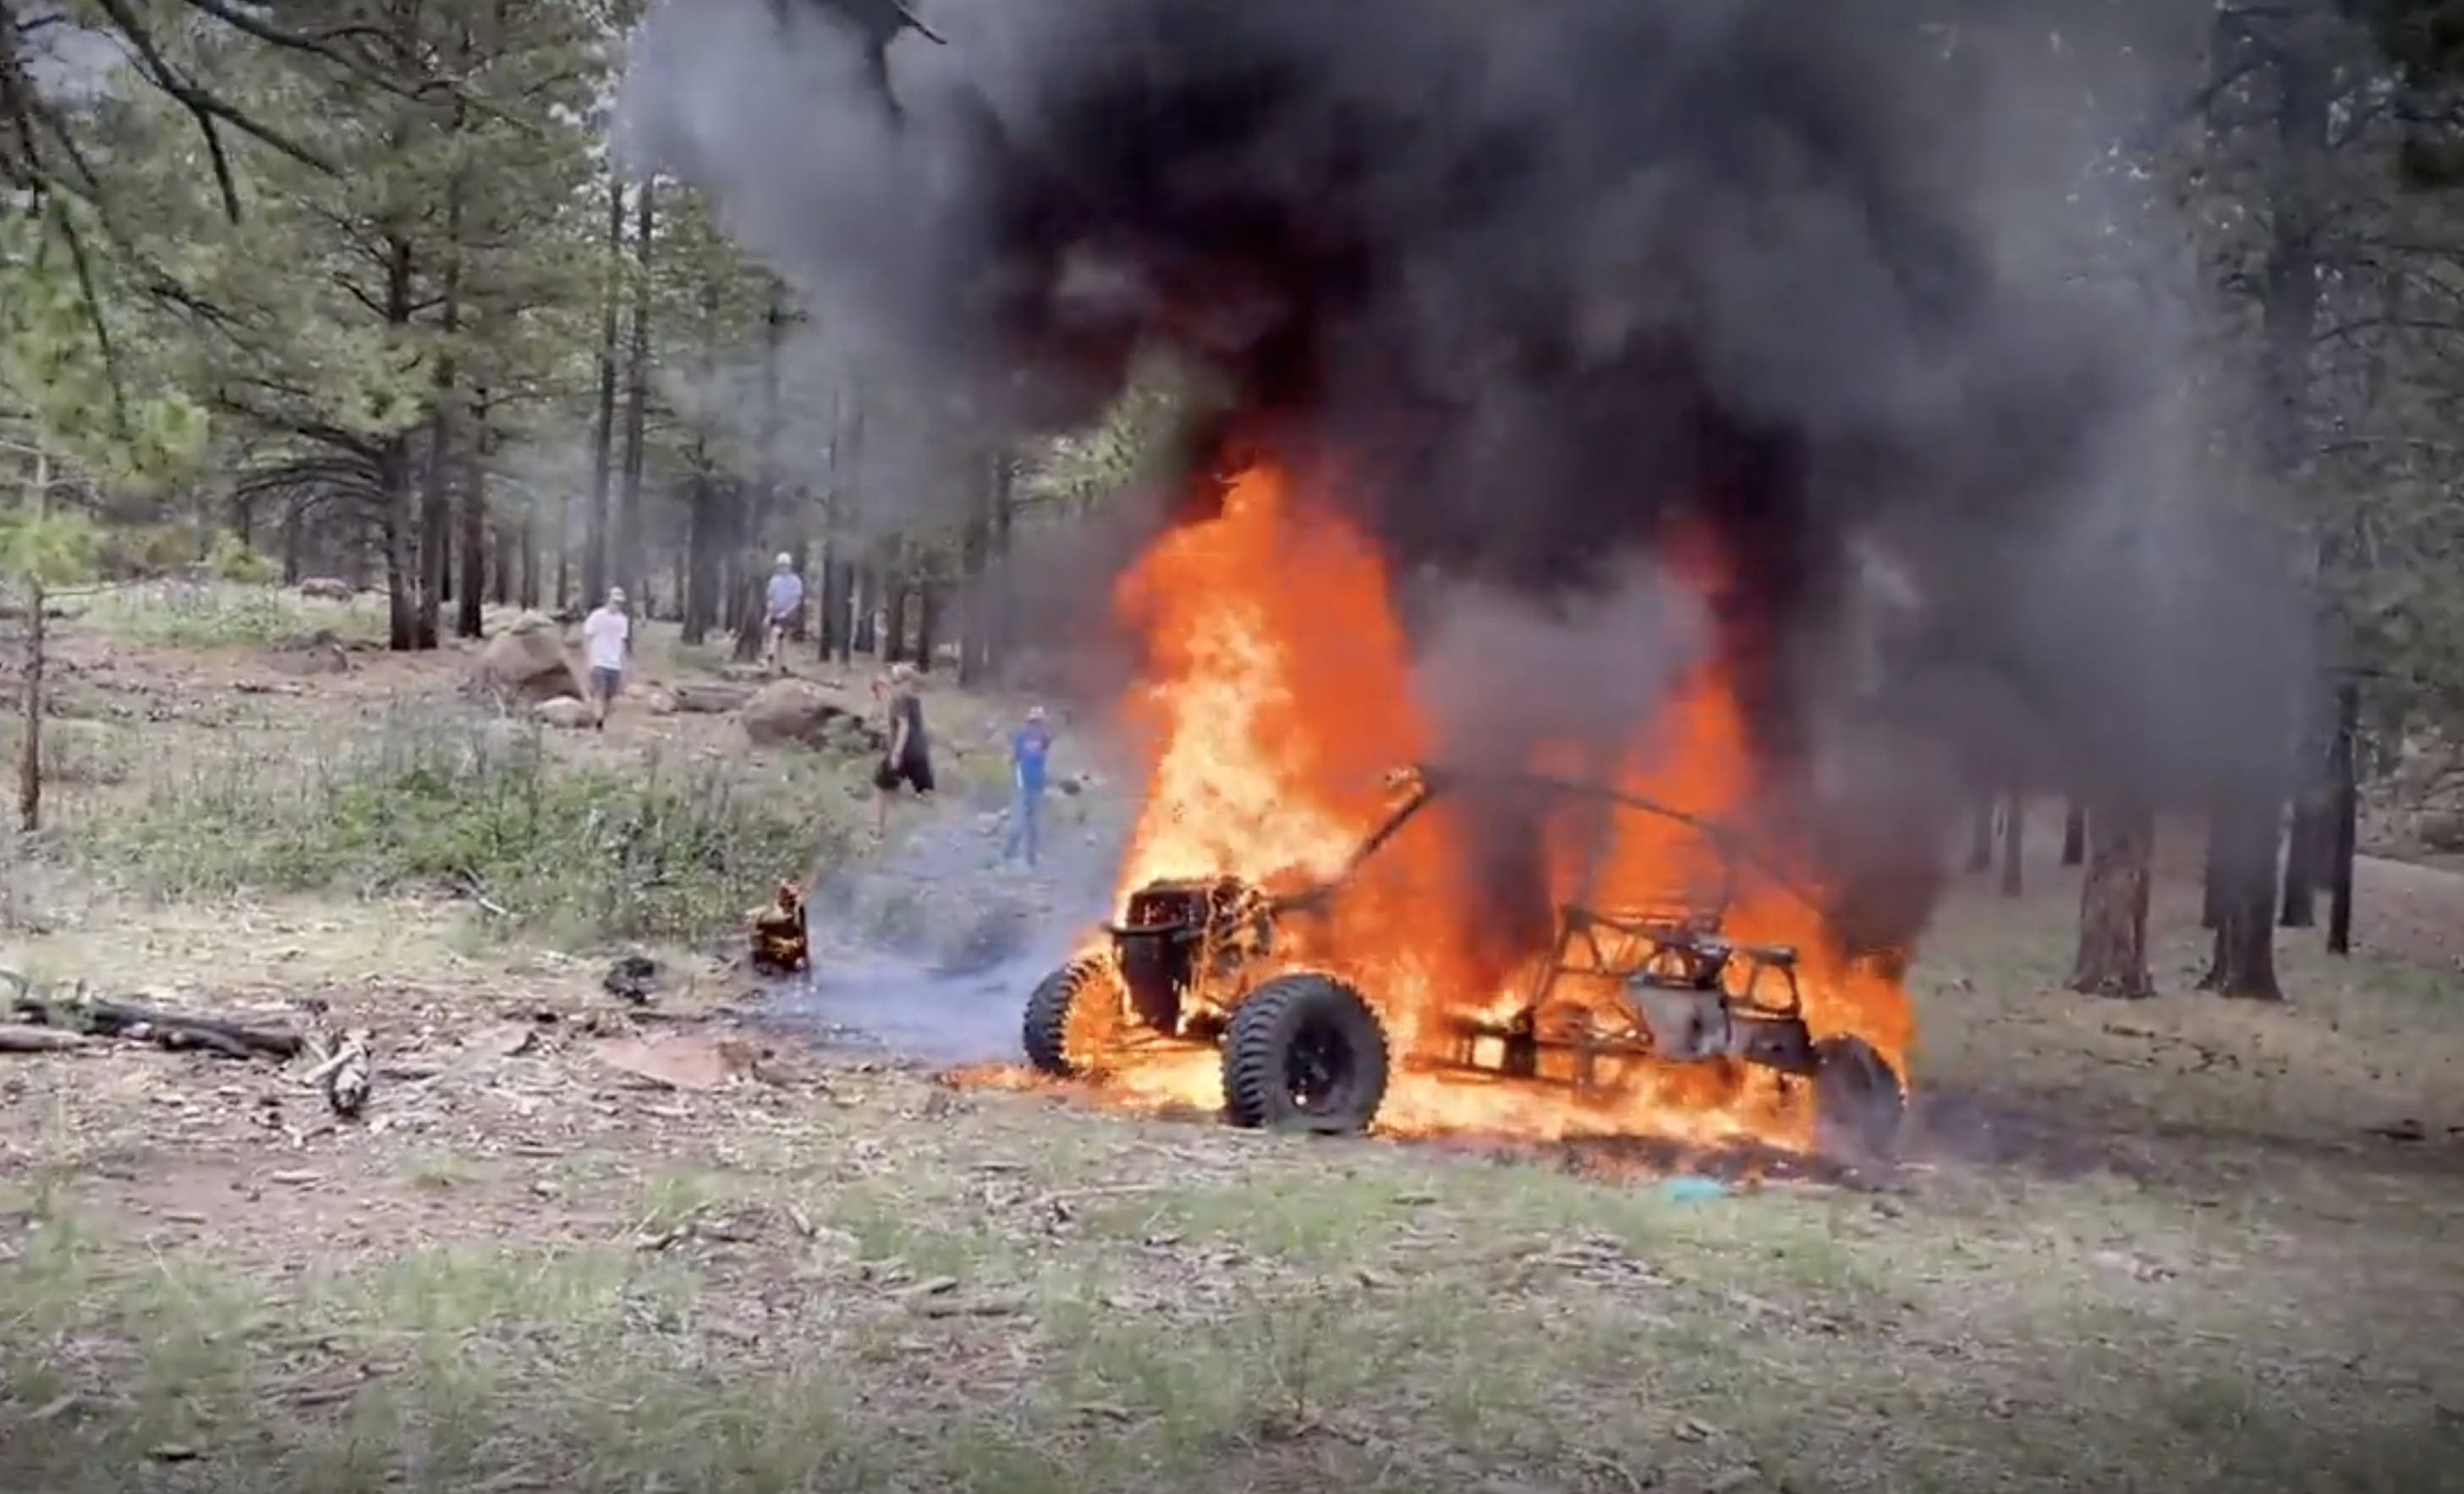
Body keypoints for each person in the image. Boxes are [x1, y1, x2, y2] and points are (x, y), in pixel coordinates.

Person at [872, 661, 935, 834]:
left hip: (904, 752)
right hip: (920, 753)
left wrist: (896, 753)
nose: (893, 683)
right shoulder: (913, 699)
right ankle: (943, 831)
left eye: (895, 680)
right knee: (926, 794)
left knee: (880, 786)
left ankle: (880, 830)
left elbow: (904, 727)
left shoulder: (898, 699)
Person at [1002, 704, 1055, 867]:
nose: (1037, 725)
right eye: (1035, 721)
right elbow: (1014, 758)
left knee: (1033, 822)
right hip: (1023, 783)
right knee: (1019, 820)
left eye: (1039, 722)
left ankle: (1030, 857)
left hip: (1037, 784)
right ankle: (1009, 852)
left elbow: (1048, 744)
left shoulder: (1043, 737)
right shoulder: (1021, 736)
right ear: (1030, 722)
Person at [582, 586, 632, 729]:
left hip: (614, 663)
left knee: (610, 696)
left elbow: (622, 642)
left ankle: (601, 717)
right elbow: (587, 637)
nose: (617, 605)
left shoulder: (623, 620)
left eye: (619, 602)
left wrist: (624, 662)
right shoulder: (597, 616)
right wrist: (589, 658)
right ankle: (598, 722)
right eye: (615, 601)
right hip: (599, 661)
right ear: (608, 600)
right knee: (599, 692)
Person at [761, 552, 804, 672]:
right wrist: (769, 614)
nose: (783, 568)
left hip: (790, 613)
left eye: (785, 565)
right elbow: (770, 598)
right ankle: (780, 663)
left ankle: (773, 656)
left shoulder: (795, 581)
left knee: (779, 634)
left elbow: (796, 599)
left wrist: (787, 612)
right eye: (781, 566)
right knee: (779, 636)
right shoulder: (774, 581)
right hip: (776, 613)